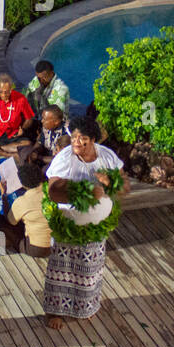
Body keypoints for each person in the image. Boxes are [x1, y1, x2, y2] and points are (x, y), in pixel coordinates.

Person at [42, 115, 131, 330]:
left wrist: (110, 183)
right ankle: (56, 312)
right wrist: (85, 193)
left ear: (93, 140)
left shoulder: (107, 156)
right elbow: (53, 192)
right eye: (73, 137)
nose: (76, 142)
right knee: (62, 270)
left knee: (89, 270)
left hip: (96, 226)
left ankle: (84, 306)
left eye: (82, 139)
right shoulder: (65, 159)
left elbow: (124, 187)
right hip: (70, 224)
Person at [6, 161, 52, 257]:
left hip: (37, 249)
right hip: (56, 243)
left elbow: (11, 221)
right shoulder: (52, 191)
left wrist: (3, 195)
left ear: (23, 184)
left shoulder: (22, 201)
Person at [0, 73, 34, 145]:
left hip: (13, 135)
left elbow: (29, 118)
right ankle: (3, 149)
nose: (3, 95)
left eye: (6, 92)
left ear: (11, 89)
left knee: (27, 143)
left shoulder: (20, 98)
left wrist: (22, 129)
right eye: (0, 92)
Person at [22, 60, 69, 135]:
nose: (41, 80)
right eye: (39, 77)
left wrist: (40, 97)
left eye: (44, 77)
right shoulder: (37, 80)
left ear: (51, 73)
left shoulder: (60, 89)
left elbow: (55, 116)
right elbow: (26, 97)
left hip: (54, 125)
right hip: (39, 118)